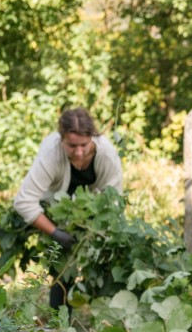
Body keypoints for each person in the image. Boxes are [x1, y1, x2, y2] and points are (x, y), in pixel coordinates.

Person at [14, 107, 123, 313]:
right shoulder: (51, 154)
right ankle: (59, 325)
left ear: (93, 138)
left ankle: (104, 314)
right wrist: (55, 232)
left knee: (103, 258)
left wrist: (100, 230)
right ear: (61, 139)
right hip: (56, 204)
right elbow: (24, 201)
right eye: (72, 145)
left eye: (84, 145)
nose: (79, 152)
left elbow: (115, 201)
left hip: (90, 204)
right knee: (63, 264)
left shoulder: (107, 155)